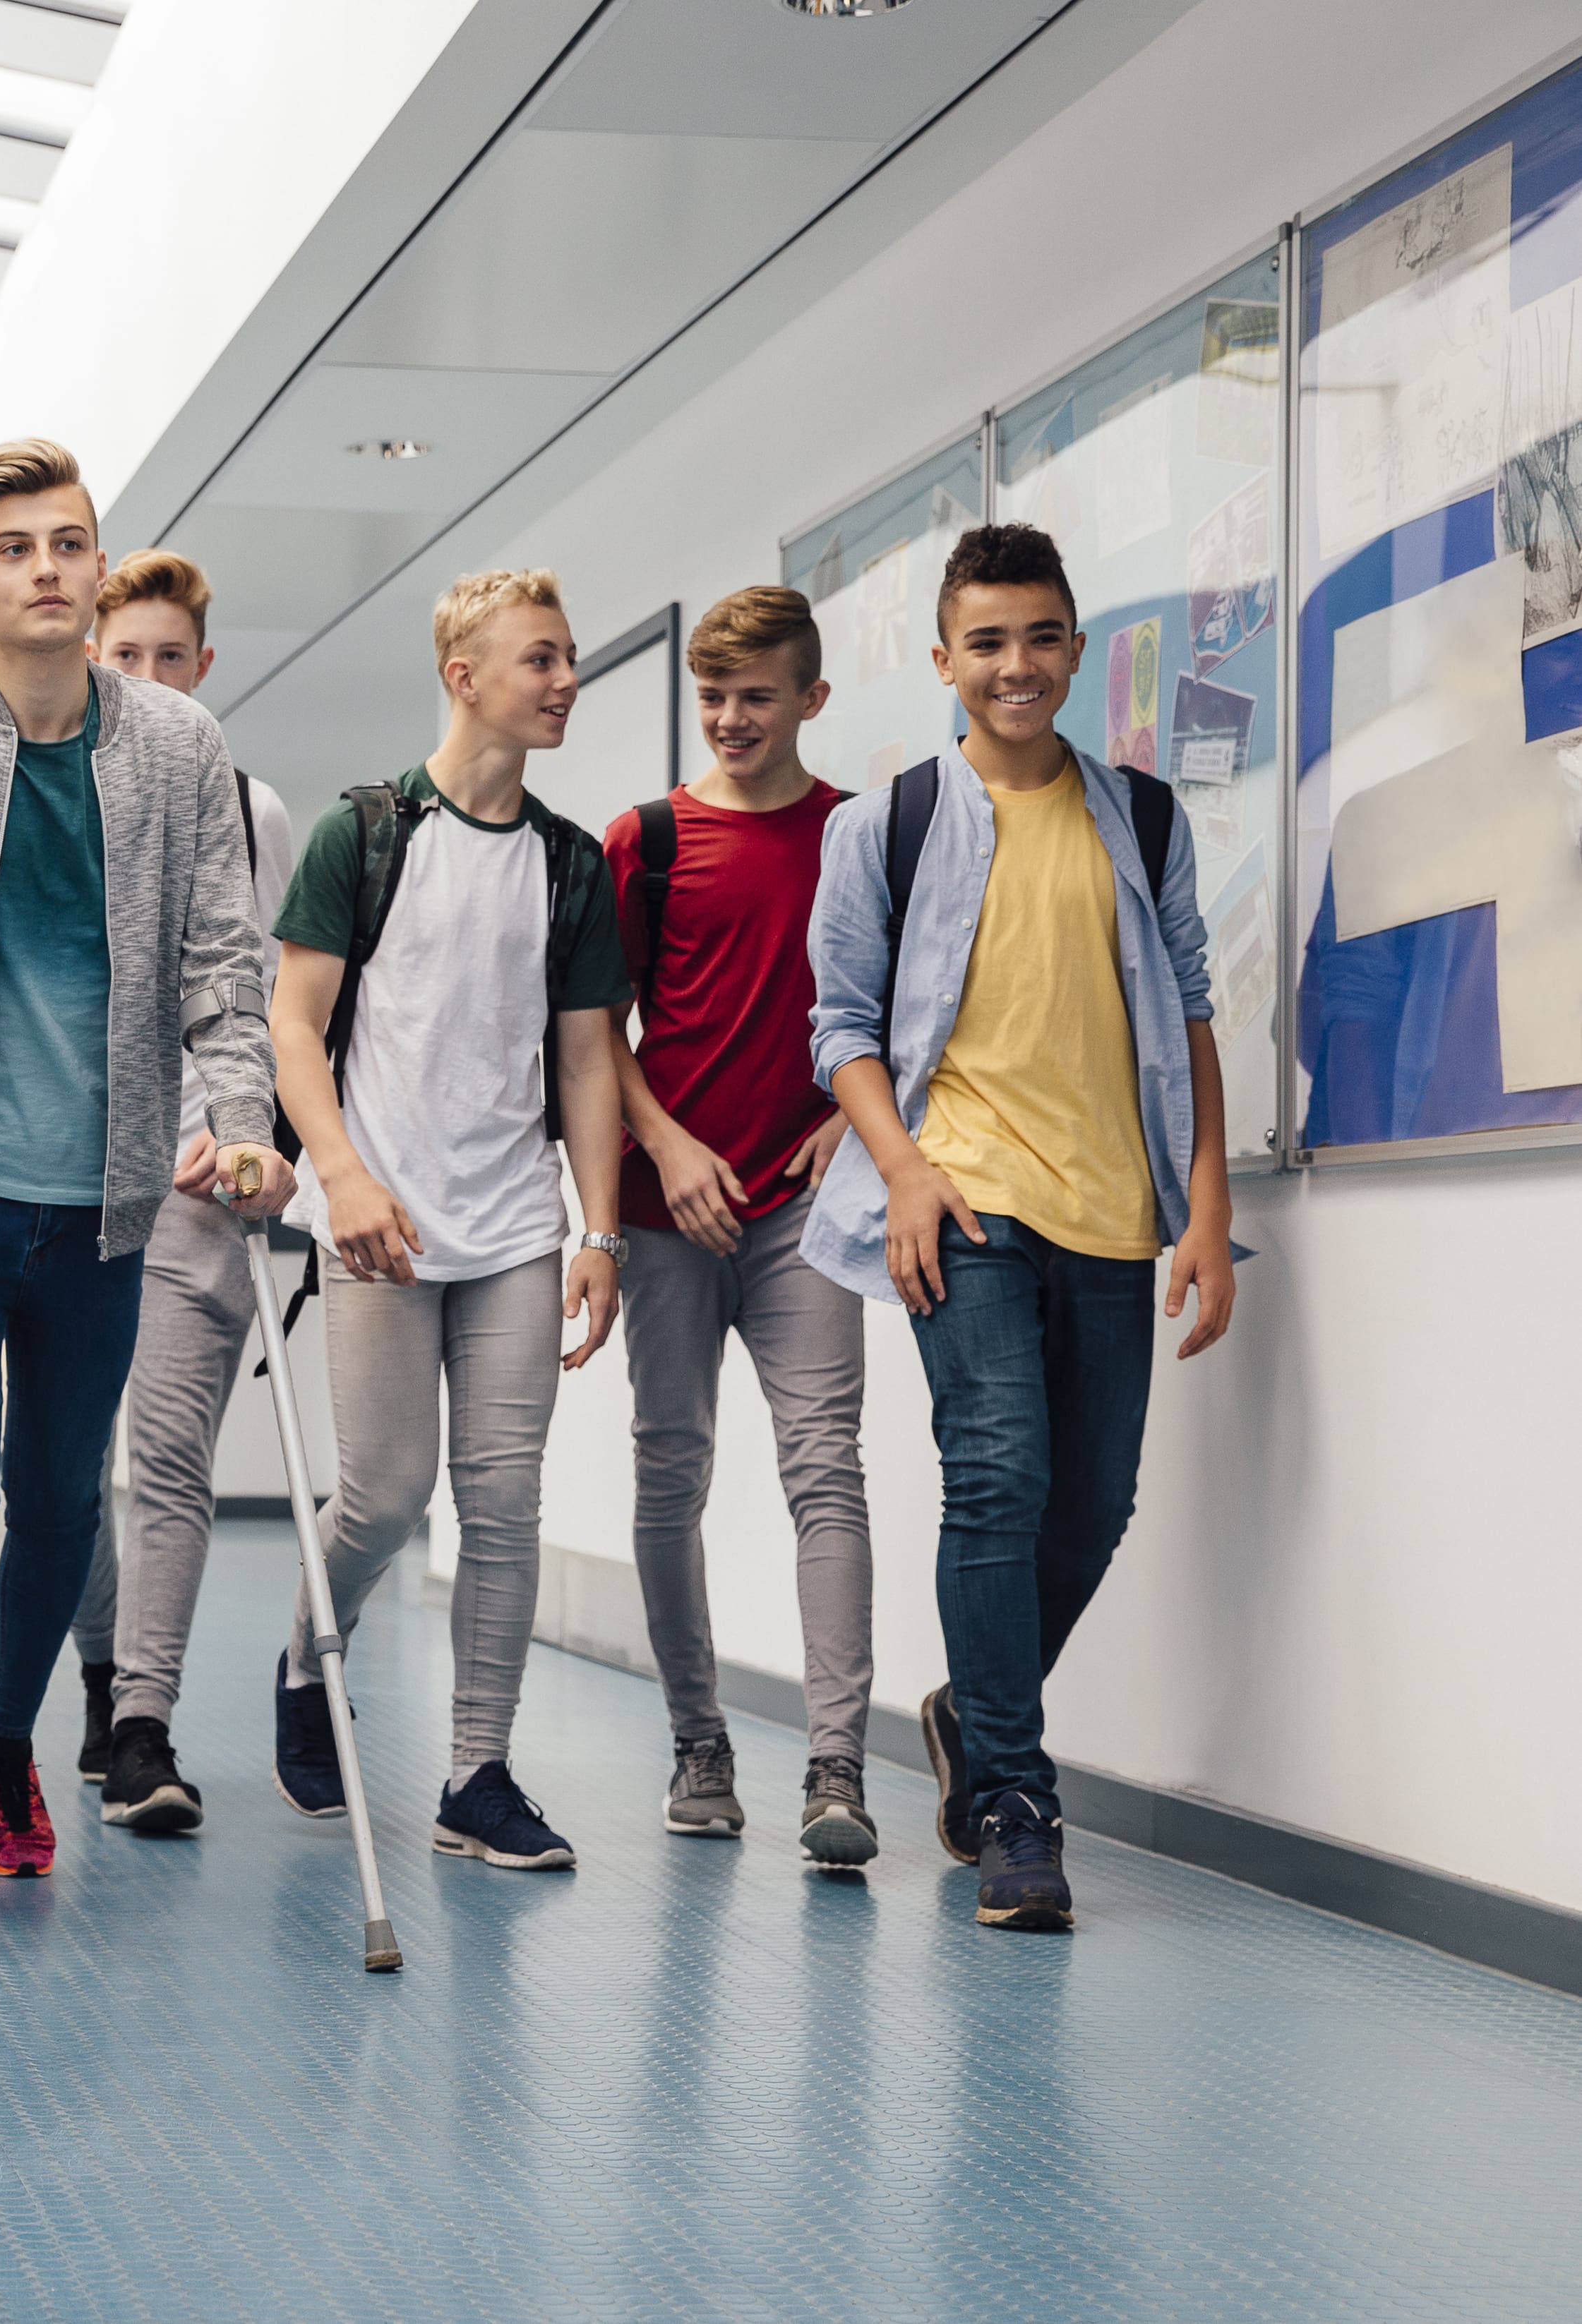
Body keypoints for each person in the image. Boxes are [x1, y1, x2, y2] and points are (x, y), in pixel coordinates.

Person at [0, 440, 290, 1925]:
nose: (47, 568)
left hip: (104, 1205)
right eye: (16, 548)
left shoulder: (178, 745)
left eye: (70, 544)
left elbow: (226, 963)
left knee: (57, 1510)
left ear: (101, 571)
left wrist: (243, 1123)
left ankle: (13, 1736)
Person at [805, 522, 1236, 1934]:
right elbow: (845, 1031)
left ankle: (966, 1712)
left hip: (1115, 1208)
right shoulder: (893, 823)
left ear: (1075, 647)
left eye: (1040, 637)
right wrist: (909, 1172)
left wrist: (1210, 1203)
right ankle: (1015, 1804)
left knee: (1093, 1503)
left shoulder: (1143, 817)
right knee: (997, 1480)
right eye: (986, 642)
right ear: (944, 660)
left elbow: (1187, 1007)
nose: (1016, 665)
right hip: (967, 1198)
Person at [266, 567, 630, 1874]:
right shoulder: (363, 833)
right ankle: (313, 1649)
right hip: (380, 1224)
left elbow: (589, 1062)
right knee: (385, 1492)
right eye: (540, 658)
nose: (566, 679)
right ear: (463, 675)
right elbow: (293, 1026)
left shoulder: (572, 864)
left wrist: (600, 1232)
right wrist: (344, 1176)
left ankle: (477, 1771)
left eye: (572, 656)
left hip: (517, 1228)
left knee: (504, 1500)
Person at [601, 586, 878, 1868]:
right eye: (713, 698)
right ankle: (699, 1742)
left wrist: (851, 1124)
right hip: (668, 1212)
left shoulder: (862, 836)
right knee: (673, 1472)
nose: (730, 719)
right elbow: (593, 1036)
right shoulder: (646, 840)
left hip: (805, 1212)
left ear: (812, 698)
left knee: (826, 1466)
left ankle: (835, 1766)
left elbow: (916, 1007)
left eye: (757, 695)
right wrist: (663, 1145)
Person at [60, 551, 298, 1835]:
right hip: (59, 1178)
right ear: (93, 656)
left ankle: (145, 1723)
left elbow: (250, 994)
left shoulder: (246, 807)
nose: (148, 677)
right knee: (55, 1471)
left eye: (171, 657)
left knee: (164, 1464)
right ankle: (101, 1676)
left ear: (203, 669)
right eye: (126, 655)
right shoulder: (46, 793)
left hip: (194, 1186)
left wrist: (240, 1131)